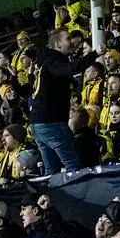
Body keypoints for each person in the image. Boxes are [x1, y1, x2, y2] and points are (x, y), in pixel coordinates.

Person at [30, 30, 86, 175]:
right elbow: (72, 69)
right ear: (57, 44)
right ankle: (81, 197)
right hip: (51, 122)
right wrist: (94, 54)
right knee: (74, 167)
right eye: (68, 38)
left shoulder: (45, 61)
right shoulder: (54, 60)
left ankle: (52, 197)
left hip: (38, 123)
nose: (72, 41)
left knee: (51, 171)